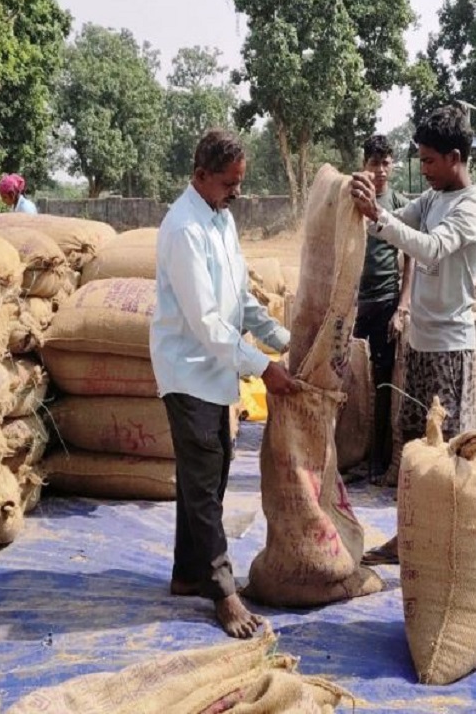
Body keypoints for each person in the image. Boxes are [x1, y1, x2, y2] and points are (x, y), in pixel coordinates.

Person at [150, 128, 300, 639]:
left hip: (213, 370)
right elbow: (208, 324)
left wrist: (281, 337)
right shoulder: (183, 229)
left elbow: (240, 299)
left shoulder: (221, 217)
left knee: (210, 476)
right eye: (229, 182)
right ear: (200, 176)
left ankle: (187, 573)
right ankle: (223, 592)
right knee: (203, 482)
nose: (237, 191)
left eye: (240, 182)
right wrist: (263, 367)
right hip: (188, 368)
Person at [349, 105, 476, 565]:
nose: (424, 169)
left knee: (447, 460)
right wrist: (367, 202)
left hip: (451, 351)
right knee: (414, 457)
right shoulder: (432, 199)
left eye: (429, 161)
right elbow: (399, 221)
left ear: (454, 157)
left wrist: (381, 218)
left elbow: (429, 246)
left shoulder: (471, 207)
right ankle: (407, 539)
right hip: (421, 345)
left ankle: (446, 550)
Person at [352, 134, 411, 482]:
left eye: (386, 163)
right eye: (375, 163)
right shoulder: (354, 201)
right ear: (365, 165)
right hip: (356, 304)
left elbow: (411, 257)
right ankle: (351, 453)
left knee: (382, 380)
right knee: (352, 380)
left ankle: (379, 457)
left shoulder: (400, 204)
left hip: (387, 302)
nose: (381, 171)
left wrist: (402, 306)